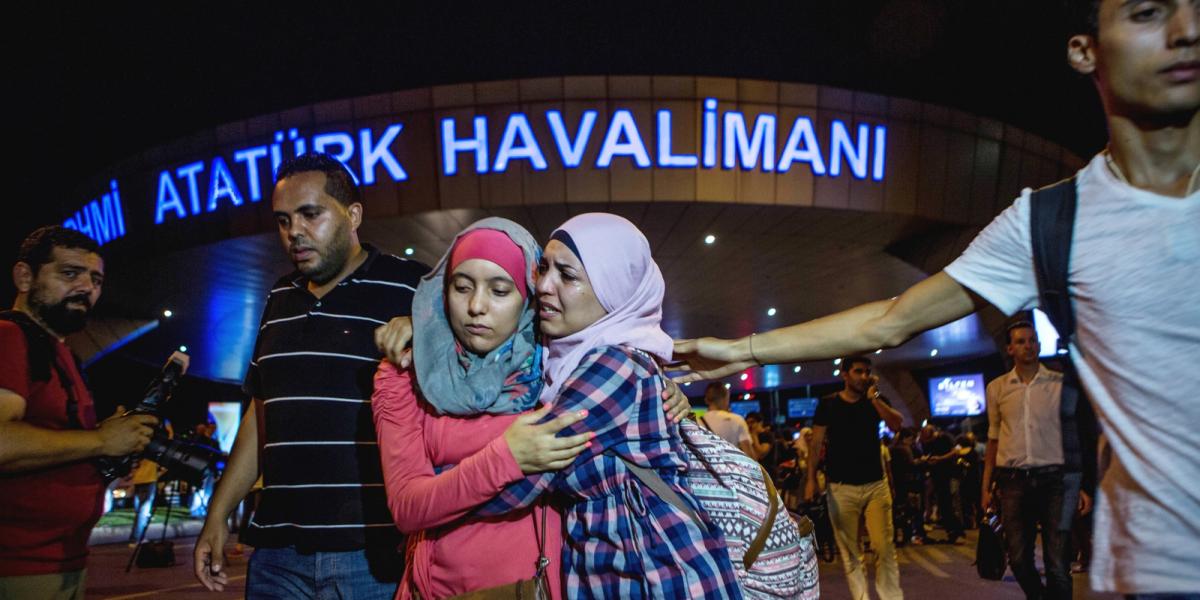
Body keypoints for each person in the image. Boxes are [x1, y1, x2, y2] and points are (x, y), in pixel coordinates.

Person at [674, 1, 1198, 594]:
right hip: (1161, 569)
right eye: (1149, 12)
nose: (1186, 32)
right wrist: (746, 349)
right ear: (1086, 51)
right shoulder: (1053, 222)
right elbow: (892, 320)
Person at [469, 213, 741, 598]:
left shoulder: (613, 366)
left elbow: (519, 482)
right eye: (544, 268)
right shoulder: (561, 361)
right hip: (615, 568)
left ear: (612, 289)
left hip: (658, 573)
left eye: (568, 275)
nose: (544, 285)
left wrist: (433, 492)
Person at [193, 153, 428, 597]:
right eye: (283, 220)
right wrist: (217, 514)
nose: (293, 232)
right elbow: (261, 418)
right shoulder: (279, 298)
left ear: (353, 214)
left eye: (310, 214)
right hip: (278, 555)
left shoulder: (412, 287)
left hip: (373, 555)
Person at [371, 218, 585, 598]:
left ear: (529, 299)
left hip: (531, 587)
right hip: (437, 590)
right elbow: (407, 506)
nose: (476, 307)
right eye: (462, 287)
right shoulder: (405, 371)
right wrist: (507, 456)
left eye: (500, 291)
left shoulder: (556, 364)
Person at [0, 226, 159, 598]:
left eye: (96, 279)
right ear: (25, 276)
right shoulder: (9, 336)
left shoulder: (61, 353)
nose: (86, 287)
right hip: (19, 567)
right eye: (69, 273)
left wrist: (109, 455)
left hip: (65, 562)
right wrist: (101, 440)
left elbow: (59, 445)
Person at [980, 321, 1076, 599]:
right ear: (1010, 349)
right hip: (1013, 481)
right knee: (1019, 560)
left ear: (1039, 344)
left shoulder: (1058, 384)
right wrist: (985, 487)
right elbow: (994, 439)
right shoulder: (997, 388)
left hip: (1054, 480)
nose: (1028, 346)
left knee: (1057, 564)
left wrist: (1079, 483)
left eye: (1032, 340)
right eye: (1021, 341)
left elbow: (1072, 438)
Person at [804, 355, 904, 600]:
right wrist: (809, 480)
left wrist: (875, 398)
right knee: (850, 552)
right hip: (841, 488)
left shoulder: (876, 400)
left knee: (883, 547)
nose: (863, 376)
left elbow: (897, 424)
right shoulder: (828, 404)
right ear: (845, 374)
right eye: (858, 371)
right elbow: (816, 444)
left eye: (867, 372)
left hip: (875, 485)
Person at [921, 424, 966, 544]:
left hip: (948, 474)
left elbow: (956, 451)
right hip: (936, 475)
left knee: (948, 504)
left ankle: (957, 531)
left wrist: (940, 459)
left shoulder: (945, 437)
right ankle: (952, 532)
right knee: (943, 504)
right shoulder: (929, 443)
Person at [697, 382, 757, 457]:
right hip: (733, 467)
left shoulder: (696, 423)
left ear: (706, 400)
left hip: (707, 467)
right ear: (726, 398)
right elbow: (750, 455)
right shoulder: (737, 420)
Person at [889, 428, 927, 546]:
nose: (912, 441)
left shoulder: (891, 448)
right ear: (906, 438)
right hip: (906, 481)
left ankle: (895, 535)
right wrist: (922, 460)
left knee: (895, 509)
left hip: (894, 481)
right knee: (907, 508)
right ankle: (906, 535)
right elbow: (911, 464)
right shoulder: (905, 449)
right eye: (911, 439)